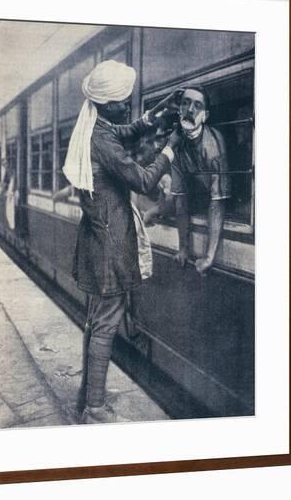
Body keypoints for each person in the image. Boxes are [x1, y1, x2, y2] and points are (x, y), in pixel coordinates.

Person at [62, 60, 180, 424]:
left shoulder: (93, 127)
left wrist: (152, 117)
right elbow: (144, 181)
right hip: (111, 246)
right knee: (107, 325)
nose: (128, 104)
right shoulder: (103, 140)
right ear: (108, 102)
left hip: (97, 240)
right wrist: (169, 150)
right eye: (124, 100)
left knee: (96, 322)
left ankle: (87, 398)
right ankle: (95, 410)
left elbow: (122, 131)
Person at [171, 85, 231, 276]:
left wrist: (209, 256)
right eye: (186, 103)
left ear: (205, 115)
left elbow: (218, 202)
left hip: (216, 200)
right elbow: (180, 200)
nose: (190, 110)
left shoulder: (213, 145)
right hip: (196, 197)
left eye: (197, 106)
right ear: (179, 109)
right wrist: (183, 248)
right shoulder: (176, 144)